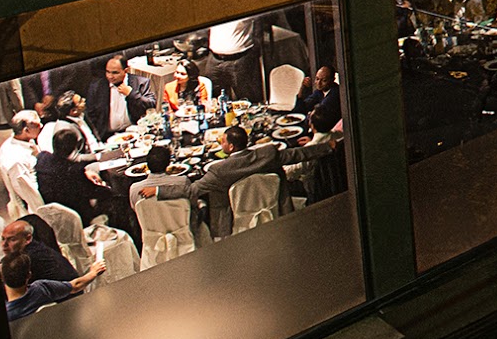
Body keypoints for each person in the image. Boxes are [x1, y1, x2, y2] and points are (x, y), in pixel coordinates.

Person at [140, 124, 336, 237]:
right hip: (276, 211)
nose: (220, 143)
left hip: (237, 224)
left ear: (231, 147)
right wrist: (328, 146)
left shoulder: (219, 171)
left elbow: (191, 190)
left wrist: (158, 191)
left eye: (223, 141)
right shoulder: (268, 154)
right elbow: (298, 154)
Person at [0, 251, 105, 329]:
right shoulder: (42, 288)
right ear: (29, 275)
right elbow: (76, 286)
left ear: (1, 277)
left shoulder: (2, 316)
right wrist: (93, 272)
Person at [35, 127, 107, 222]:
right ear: (75, 147)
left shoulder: (42, 157)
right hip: (75, 215)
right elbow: (93, 192)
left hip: (52, 209)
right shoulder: (73, 171)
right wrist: (105, 187)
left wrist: (85, 172)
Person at [86, 54, 154, 136]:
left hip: (136, 132)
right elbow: (90, 114)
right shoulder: (96, 87)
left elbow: (151, 105)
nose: (110, 76)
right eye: (108, 72)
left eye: (115, 73)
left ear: (126, 70)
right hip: (108, 136)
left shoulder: (141, 82)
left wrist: (131, 94)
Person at [0, 218, 76, 284]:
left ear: (28, 239)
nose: (4, 244)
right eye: (3, 239)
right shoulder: (33, 247)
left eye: (12, 239)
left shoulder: (30, 256)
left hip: (67, 299)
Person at [207, 15, 267, 103]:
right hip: (214, 58)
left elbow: (260, 23)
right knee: (214, 100)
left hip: (239, 59)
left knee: (247, 99)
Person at [0, 111, 43, 208]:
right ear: (26, 130)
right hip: (34, 202)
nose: (41, 126)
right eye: (37, 125)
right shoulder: (16, 158)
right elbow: (28, 193)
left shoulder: (25, 139)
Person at [127, 145, 187, 217]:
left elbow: (136, 211)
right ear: (168, 163)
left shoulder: (134, 189)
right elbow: (192, 204)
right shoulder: (183, 182)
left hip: (150, 227)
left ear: (147, 165)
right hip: (183, 225)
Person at [36, 91, 101, 156]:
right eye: (80, 101)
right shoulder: (66, 128)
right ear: (73, 111)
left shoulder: (83, 116)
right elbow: (73, 156)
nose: (84, 100)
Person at [294, 67, 342, 131]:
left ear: (332, 80)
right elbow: (301, 108)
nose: (319, 83)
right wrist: (302, 88)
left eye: (324, 80)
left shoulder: (334, 94)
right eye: (317, 79)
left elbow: (317, 117)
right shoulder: (319, 92)